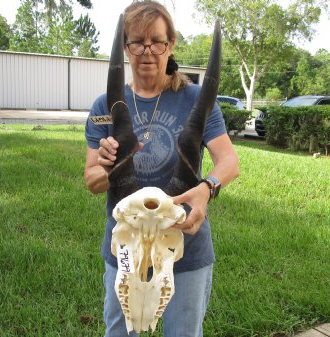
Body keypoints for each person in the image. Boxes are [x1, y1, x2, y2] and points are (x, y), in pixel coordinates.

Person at [84, 1, 240, 336]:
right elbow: (92, 181)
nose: (147, 51)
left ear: (171, 44)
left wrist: (207, 186)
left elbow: (229, 161)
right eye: (136, 41)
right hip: (125, 246)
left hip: (183, 244)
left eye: (157, 41)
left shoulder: (197, 99)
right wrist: (107, 164)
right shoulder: (104, 106)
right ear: (126, 47)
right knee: (120, 328)